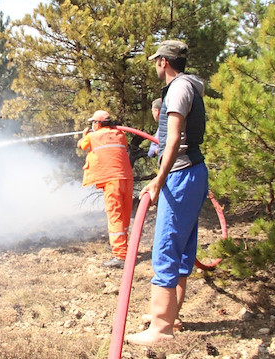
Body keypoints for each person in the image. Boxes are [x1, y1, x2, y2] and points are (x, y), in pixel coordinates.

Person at [126, 40, 209, 345]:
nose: (155, 65)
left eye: (156, 61)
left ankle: (160, 329)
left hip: (181, 174)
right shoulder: (190, 86)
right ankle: (169, 315)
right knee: (182, 247)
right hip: (193, 172)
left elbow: (173, 140)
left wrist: (158, 181)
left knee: (165, 247)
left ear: (163, 61)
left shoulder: (177, 89)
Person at [77, 110, 134, 269]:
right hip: (126, 178)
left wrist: (85, 134)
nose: (92, 125)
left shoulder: (92, 136)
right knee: (124, 213)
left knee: (115, 215)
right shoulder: (120, 134)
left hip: (111, 181)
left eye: (93, 122)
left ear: (98, 123)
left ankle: (121, 256)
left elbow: (82, 145)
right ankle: (122, 246)